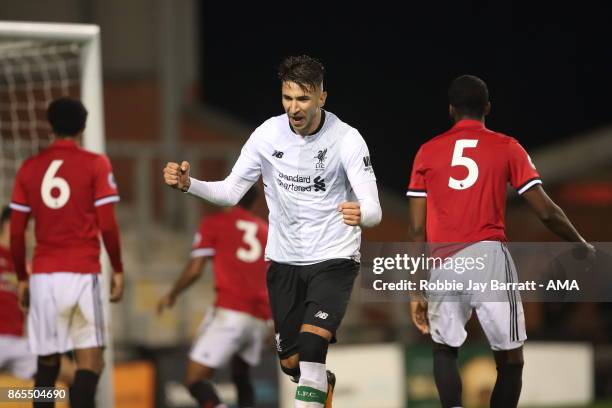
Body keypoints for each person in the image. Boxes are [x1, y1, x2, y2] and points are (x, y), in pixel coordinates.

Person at [163, 55, 382, 408]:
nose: (294, 108)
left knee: (312, 348)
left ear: (322, 98)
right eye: (288, 98)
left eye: (303, 99)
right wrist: (190, 184)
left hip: (334, 258)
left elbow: (374, 209)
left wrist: (362, 215)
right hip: (283, 262)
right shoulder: (267, 134)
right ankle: (321, 384)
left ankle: (314, 378)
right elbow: (230, 192)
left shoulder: (347, 140)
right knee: (292, 363)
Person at [406, 74, 595, 408]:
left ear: (450, 110)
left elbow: (417, 229)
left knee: (444, 351)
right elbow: (546, 212)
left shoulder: (426, 152)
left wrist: (415, 287)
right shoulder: (507, 146)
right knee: (511, 360)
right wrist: (581, 242)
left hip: (442, 263)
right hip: (489, 257)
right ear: (488, 108)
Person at [10, 97, 124, 408]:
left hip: (44, 276)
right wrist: (117, 268)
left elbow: (17, 232)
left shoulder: (29, 168)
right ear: (83, 127)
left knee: (47, 366)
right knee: (90, 363)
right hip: (81, 273)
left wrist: (22, 277)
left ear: (50, 125)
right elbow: (109, 226)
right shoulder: (95, 163)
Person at [157, 187, 270, 408]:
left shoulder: (216, 223)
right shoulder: (266, 231)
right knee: (242, 376)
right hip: (261, 318)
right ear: (255, 203)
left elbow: (195, 270)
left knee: (195, 379)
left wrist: (172, 294)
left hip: (231, 312)